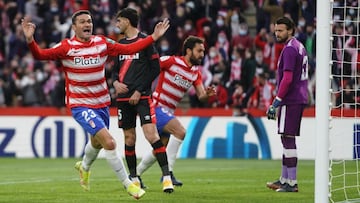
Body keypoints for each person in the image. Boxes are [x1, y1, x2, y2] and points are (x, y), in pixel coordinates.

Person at [21, 9, 169, 199]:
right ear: (74, 27)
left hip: (101, 104)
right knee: (109, 142)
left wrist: (153, 37)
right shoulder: (66, 47)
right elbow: (40, 55)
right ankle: (130, 184)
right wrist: (30, 40)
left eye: (89, 21)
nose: (87, 25)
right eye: (82, 22)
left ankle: (84, 166)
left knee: (96, 143)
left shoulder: (102, 43)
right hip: (80, 104)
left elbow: (129, 49)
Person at [135, 36, 216, 186]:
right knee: (180, 132)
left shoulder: (195, 73)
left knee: (161, 147)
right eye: (199, 51)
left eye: (203, 51)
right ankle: (168, 174)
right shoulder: (171, 61)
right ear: (188, 50)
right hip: (156, 107)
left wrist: (207, 95)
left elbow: (201, 96)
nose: (202, 54)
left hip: (168, 112)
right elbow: (151, 68)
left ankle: (135, 175)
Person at [111, 8, 174, 193]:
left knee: (152, 136)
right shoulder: (120, 44)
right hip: (123, 98)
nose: (117, 24)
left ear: (128, 21)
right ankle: (134, 178)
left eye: (119, 21)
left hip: (143, 97)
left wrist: (139, 91)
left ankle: (167, 178)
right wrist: (115, 82)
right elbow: (115, 70)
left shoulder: (145, 41)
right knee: (129, 139)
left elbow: (155, 68)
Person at [265, 16, 308, 192]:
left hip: (291, 99)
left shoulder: (290, 49)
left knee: (288, 139)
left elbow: (287, 78)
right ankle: (284, 179)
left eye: (281, 30)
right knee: (286, 138)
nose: (277, 33)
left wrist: (276, 101)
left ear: (290, 30)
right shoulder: (298, 46)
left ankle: (291, 183)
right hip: (298, 97)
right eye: (276, 30)